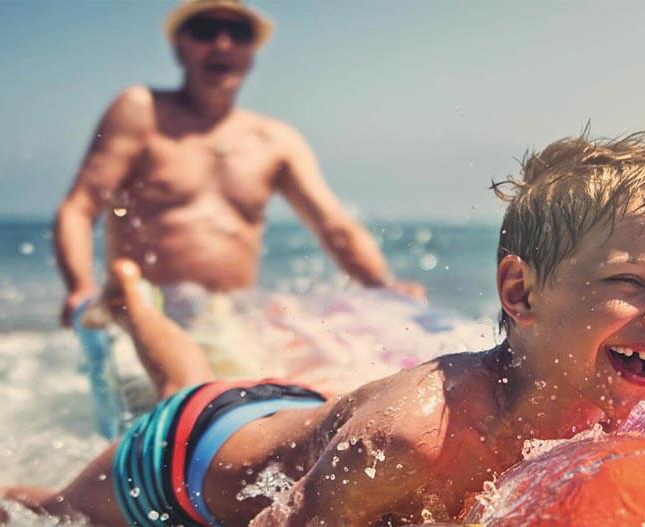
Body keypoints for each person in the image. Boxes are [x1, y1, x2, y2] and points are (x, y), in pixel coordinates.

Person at [0, 130, 645, 526]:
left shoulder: (624, 391)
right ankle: (128, 300)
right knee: (55, 510)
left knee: (192, 372)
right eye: (628, 284)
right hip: (183, 457)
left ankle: (137, 303)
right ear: (519, 292)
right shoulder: (413, 434)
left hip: (293, 415)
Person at [54, 0, 421, 330]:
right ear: (179, 48)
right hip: (144, 315)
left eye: (239, 33)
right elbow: (80, 206)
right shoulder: (142, 111)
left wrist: (383, 287)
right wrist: (80, 287)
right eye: (205, 31)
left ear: (252, 53)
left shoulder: (276, 140)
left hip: (233, 320)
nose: (222, 44)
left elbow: (334, 227)